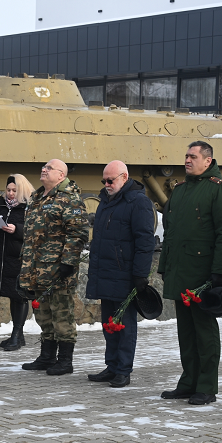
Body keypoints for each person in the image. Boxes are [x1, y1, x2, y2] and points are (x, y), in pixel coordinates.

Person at [157, 141, 222, 405]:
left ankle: (206, 386)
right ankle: (188, 382)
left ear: (208, 160)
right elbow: (170, 234)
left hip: (202, 275)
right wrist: (164, 266)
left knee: (204, 332)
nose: (187, 160)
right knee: (186, 333)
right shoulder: (180, 190)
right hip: (180, 271)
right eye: (186, 156)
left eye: (193, 156)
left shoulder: (218, 189)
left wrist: (218, 275)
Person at [85, 160, 156, 388]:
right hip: (106, 272)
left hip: (125, 274)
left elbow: (145, 241)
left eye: (110, 180)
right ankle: (112, 366)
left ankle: (123, 370)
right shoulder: (105, 202)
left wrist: (140, 274)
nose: (106, 184)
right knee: (109, 323)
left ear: (124, 178)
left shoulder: (138, 202)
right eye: (104, 180)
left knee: (125, 325)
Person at [20, 158, 89, 376]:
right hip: (37, 268)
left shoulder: (69, 199)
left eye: (49, 168)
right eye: (44, 166)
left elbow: (77, 233)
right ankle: (47, 356)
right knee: (43, 314)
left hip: (58, 268)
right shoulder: (37, 198)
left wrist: (68, 262)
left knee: (62, 314)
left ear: (61, 175)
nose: (44, 169)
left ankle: (65, 361)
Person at [0, 174, 32, 351]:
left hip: (19, 258)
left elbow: (35, 231)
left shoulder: (28, 208)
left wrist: (17, 229)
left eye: (14, 190)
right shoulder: (0, 206)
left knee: (19, 297)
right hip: (4, 259)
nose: (11, 193)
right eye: (8, 190)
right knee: (13, 296)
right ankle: (18, 335)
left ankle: (16, 334)